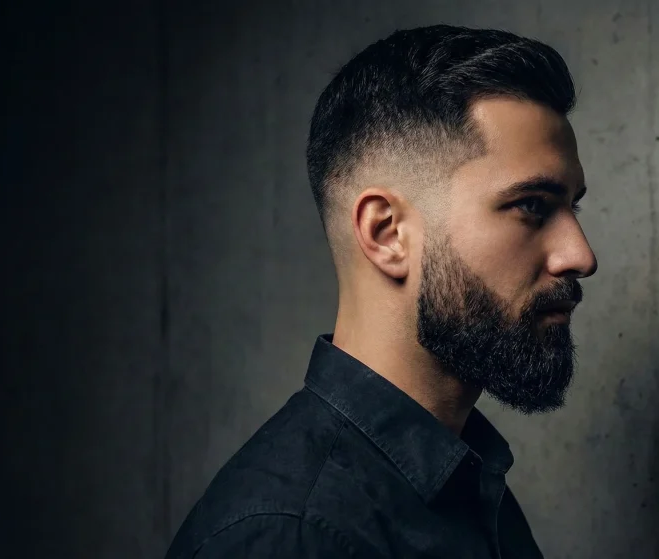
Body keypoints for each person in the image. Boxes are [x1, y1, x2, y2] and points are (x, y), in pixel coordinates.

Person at [165, 24, 598, 558]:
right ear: (386, 234)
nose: (580, 255)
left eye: (571, 207)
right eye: (532, 205)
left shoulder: (470, 484)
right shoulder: (293, 536)